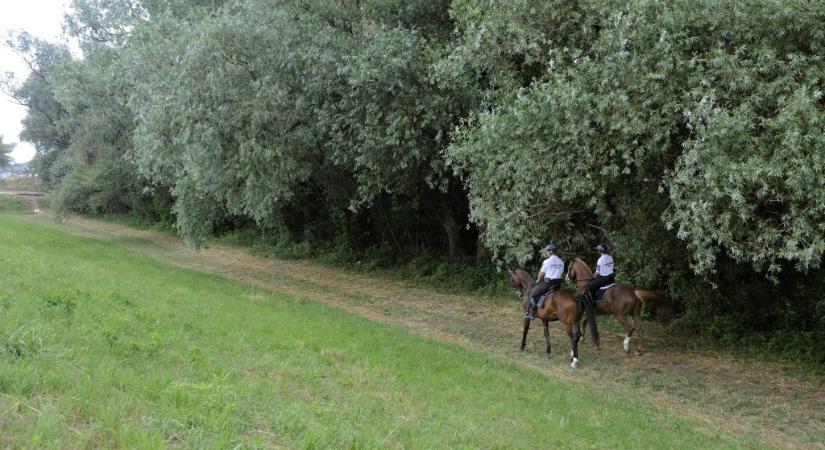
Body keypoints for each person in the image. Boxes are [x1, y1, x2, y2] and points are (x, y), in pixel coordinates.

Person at [525, 243, 564, 320]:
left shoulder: (546, 261)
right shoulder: (561, 262)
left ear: (551, 251)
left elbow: (541, 274)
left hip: (548, 284)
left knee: (533, 295)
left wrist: (538, 280)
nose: (546, 253)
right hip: (558, 285)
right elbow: (561, 273)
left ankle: (532, 313)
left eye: (547, 251)